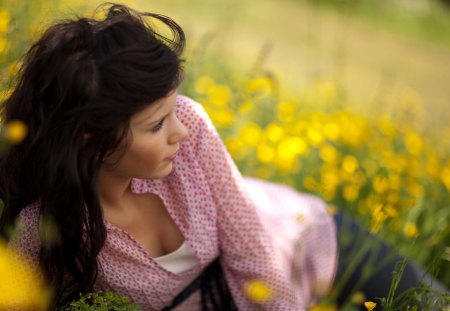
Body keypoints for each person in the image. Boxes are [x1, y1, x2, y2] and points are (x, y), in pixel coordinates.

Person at [0, 3, 446, 311]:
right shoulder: (45, 231)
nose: (179, 131)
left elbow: (256, 258)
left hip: (309, 240)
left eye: (173, 110)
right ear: (89, 138)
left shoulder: (191, 124)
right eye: (156, 125)